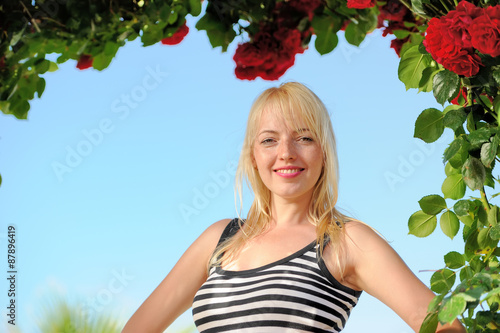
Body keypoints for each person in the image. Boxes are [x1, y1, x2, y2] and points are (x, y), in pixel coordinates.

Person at [122, 82, 465, 333]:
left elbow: (444, 325)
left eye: (304, 137)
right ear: (253, 158)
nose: (286, 152)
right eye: (269, 140)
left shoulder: (348, 241)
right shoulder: (219, 239)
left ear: (324, 153)